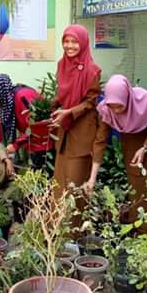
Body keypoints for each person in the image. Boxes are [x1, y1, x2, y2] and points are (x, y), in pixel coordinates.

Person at [94, 74, 147, 222]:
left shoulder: (146, 101)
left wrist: (145, 148)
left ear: (127, 97)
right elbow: (100, 142)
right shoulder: (106, 110)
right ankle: (140, 231)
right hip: (131, 149)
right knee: (137, 189)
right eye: (112, 106)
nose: (116, 111)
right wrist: (92, 178)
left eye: (119, 105)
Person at [51, 24, 102, 195]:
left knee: (75, 184)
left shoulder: (92, 70)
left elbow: (90, 102)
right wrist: (46, 106)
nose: (69, 46)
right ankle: (55, 221)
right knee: (58, 183)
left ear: (83, 43)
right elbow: (62, 94)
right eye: (66, 41)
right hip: (63, 130)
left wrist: (69, 112)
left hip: (81, 131)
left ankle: (75, 222)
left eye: (74, 41)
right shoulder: (62, 65)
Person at [0, 74, 51, 175]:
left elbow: (37, 126)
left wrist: (16, 144)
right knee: (35, 178)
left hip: (46, 142)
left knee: (45, 178)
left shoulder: (23, 97)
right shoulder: (1, 105)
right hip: (32, 143)